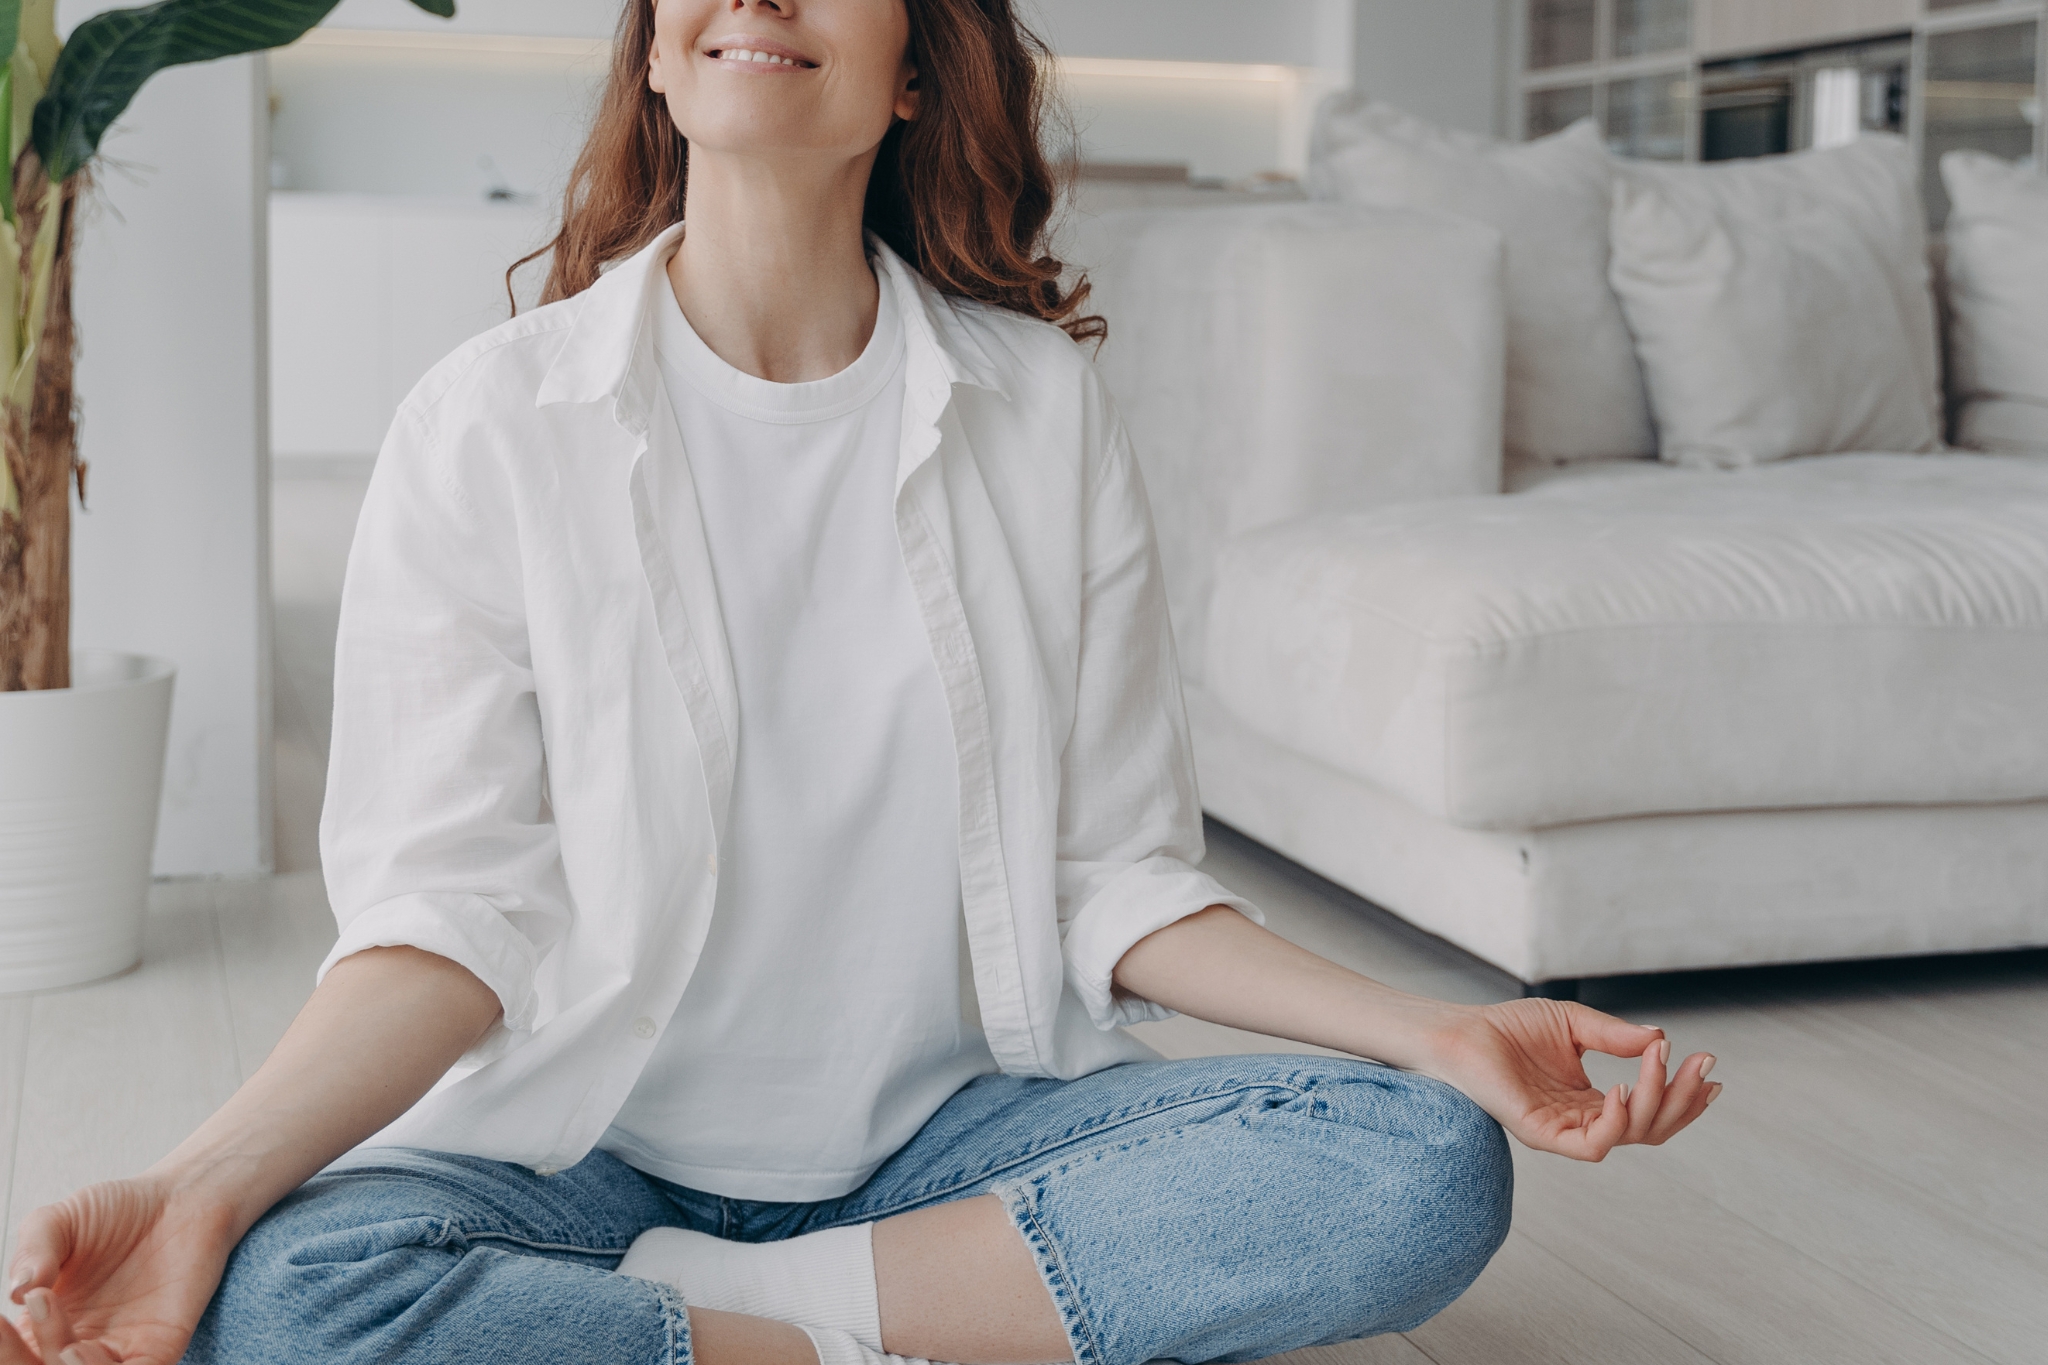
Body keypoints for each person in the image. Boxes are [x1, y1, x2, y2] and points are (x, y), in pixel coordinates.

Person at [2, 2, 1720, 1363]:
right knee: (289, 1292)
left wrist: (1437, 1028)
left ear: (915, 66)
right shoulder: (488, 423)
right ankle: (892, 1328)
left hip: (951, 1140)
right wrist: (197, 1185)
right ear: (662, 52)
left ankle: (742, 1315)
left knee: (1419, 1163)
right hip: (582, 1156)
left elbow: (1114, 878)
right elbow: (446, 920)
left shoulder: (1039, 410)